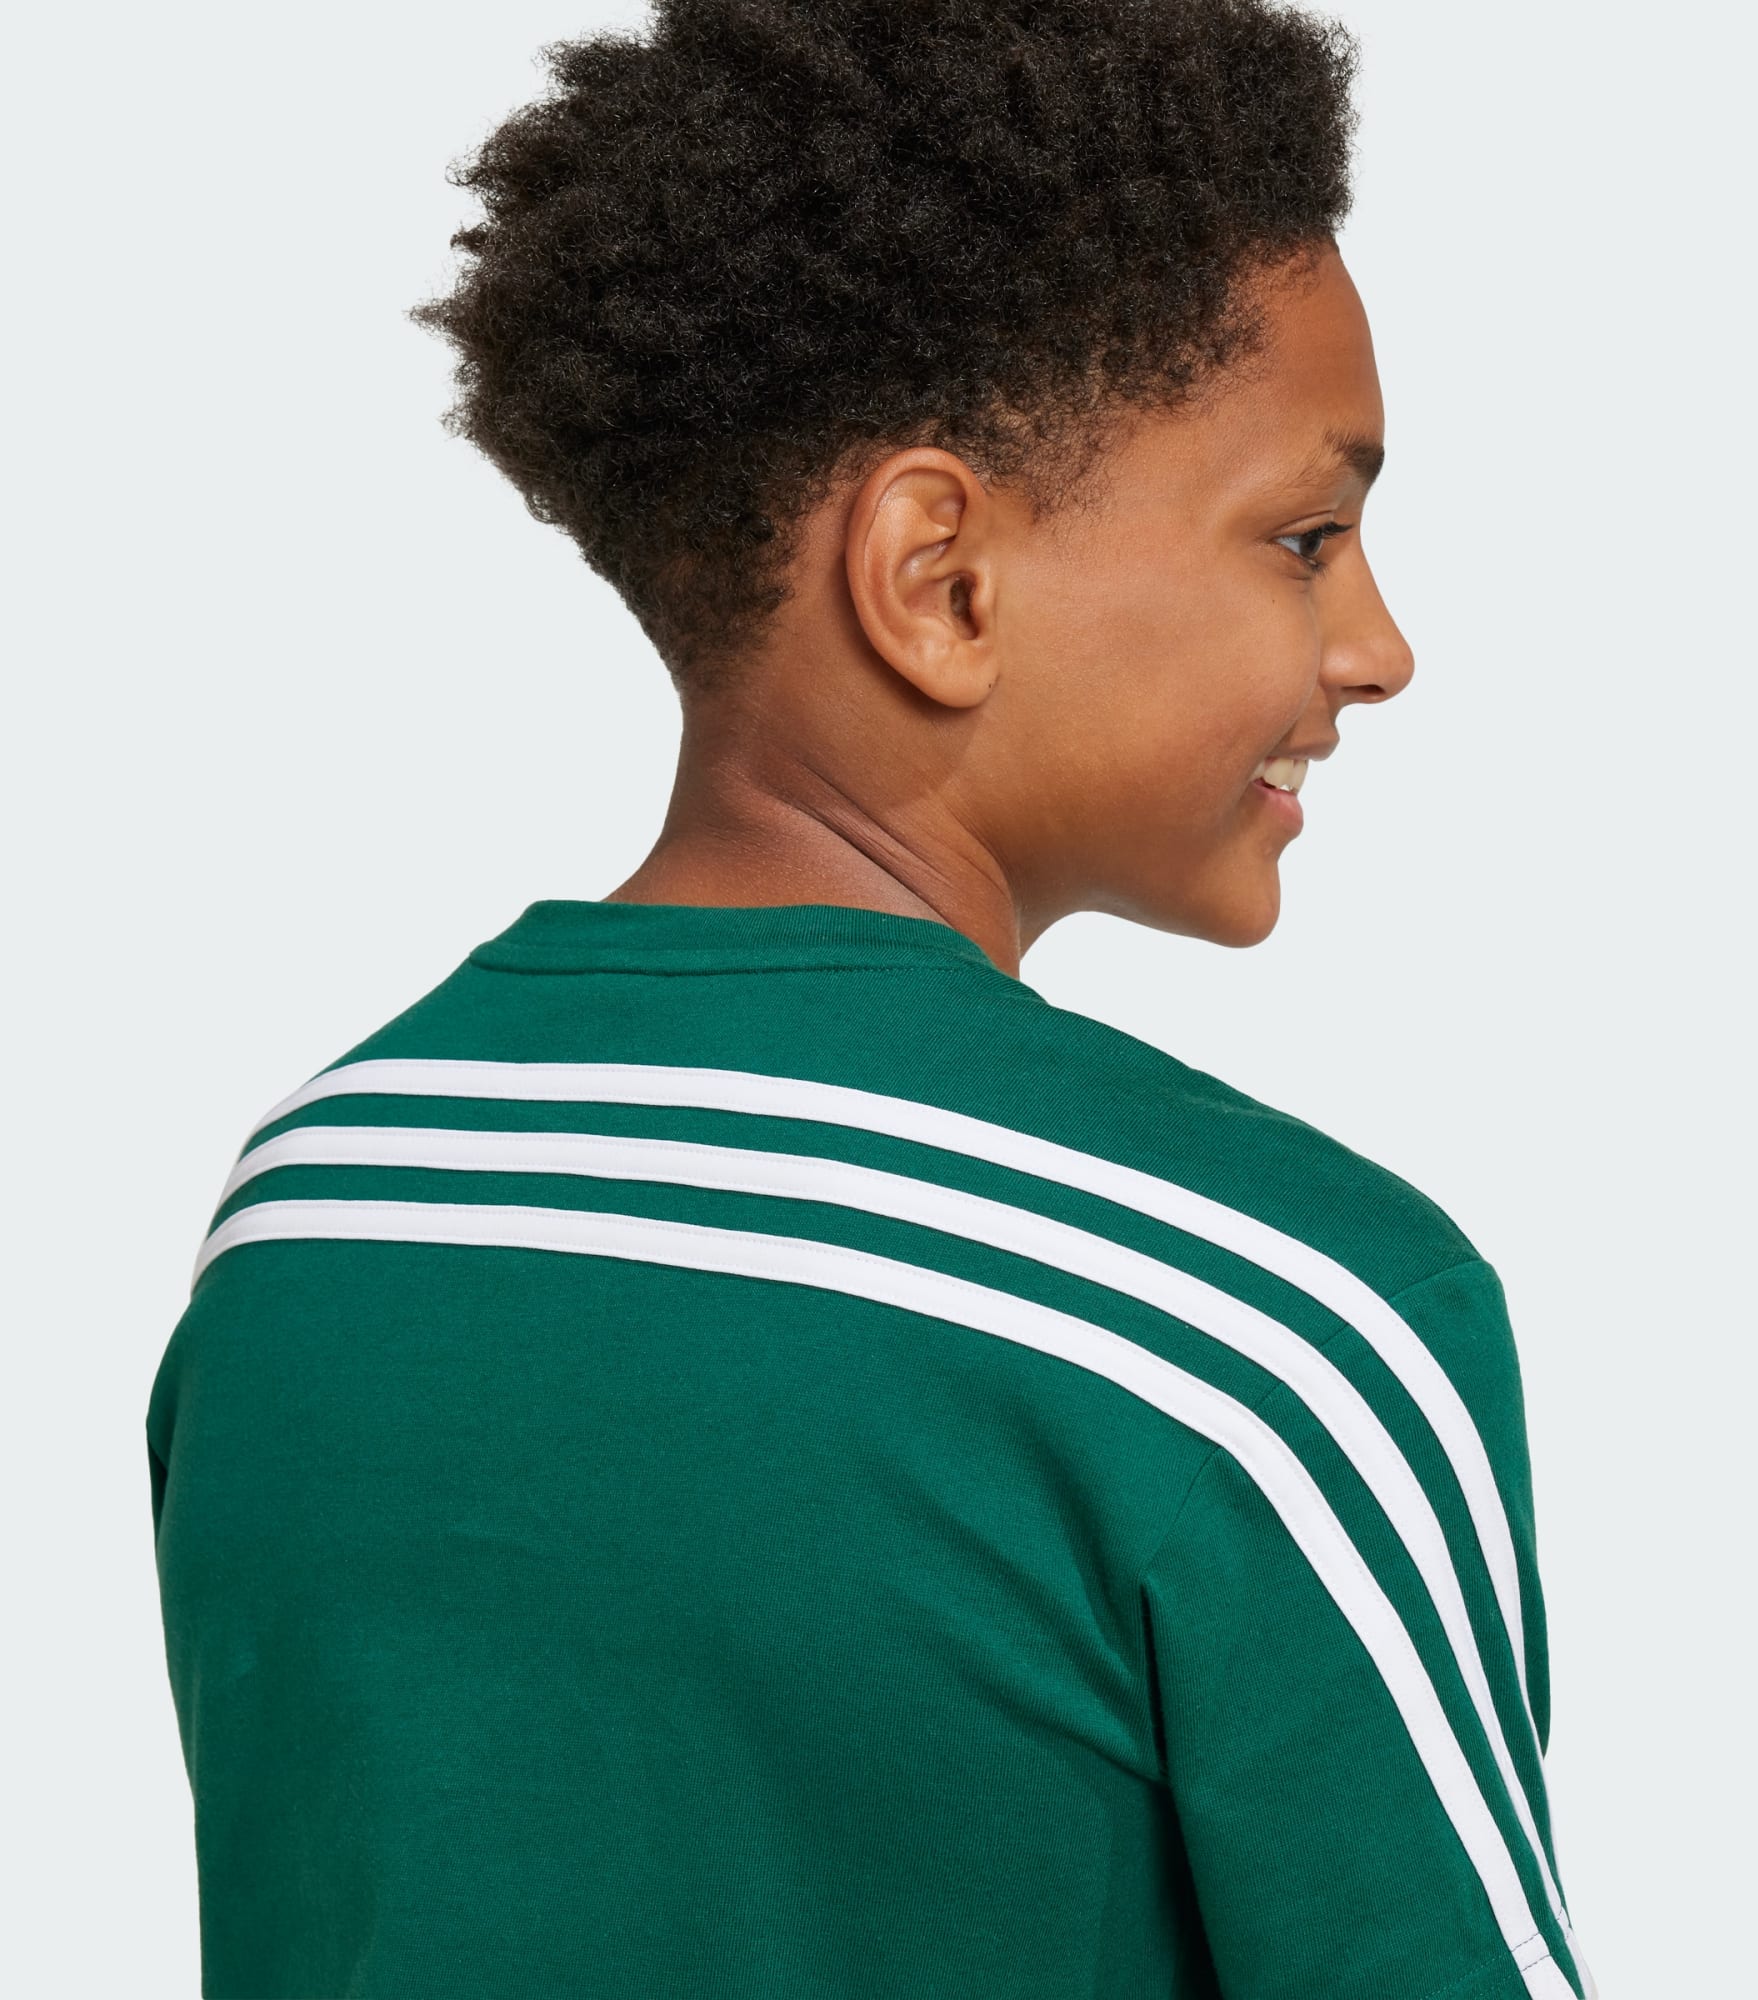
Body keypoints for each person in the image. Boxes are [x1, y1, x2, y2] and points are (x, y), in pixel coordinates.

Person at [147, 3, 1595, 1994]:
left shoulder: (316, 1214)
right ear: (940, 578)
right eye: (1305, 537)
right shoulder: (1270, 1322)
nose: (1378, 645)